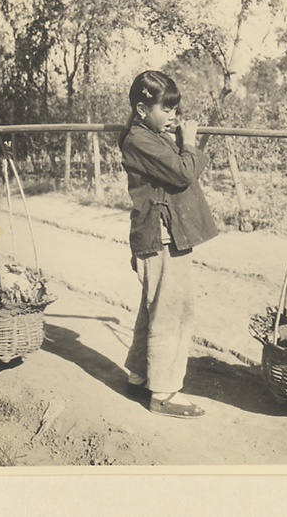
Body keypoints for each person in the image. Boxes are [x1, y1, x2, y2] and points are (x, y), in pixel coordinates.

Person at [119, 70, 218, 419]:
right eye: (167, 108)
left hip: (159, 234)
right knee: (172, 314)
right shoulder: (139, 140)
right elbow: (182, 173)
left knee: (154, 309)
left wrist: (177, 138)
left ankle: (140, 376)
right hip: (161, 236)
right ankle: (163, 393)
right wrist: (188, 142)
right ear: (142, 110)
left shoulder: (149, 134)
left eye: (176, 108)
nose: (174, 115)